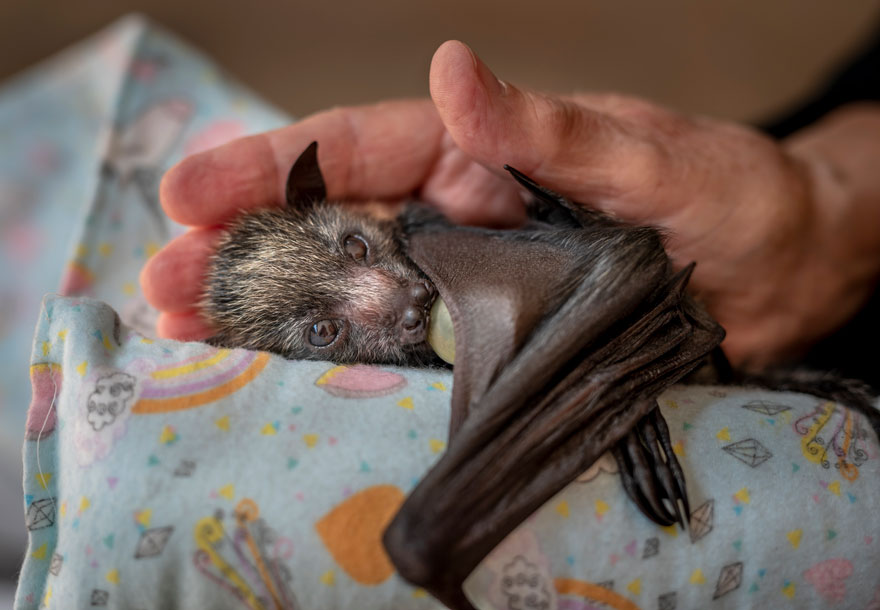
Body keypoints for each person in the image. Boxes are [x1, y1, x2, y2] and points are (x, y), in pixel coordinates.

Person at [140, 40, 880, 378]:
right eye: (328, 328)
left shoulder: (440, 238)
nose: (394, 297)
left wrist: (819, 208)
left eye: (360, 253)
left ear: (337, 210)